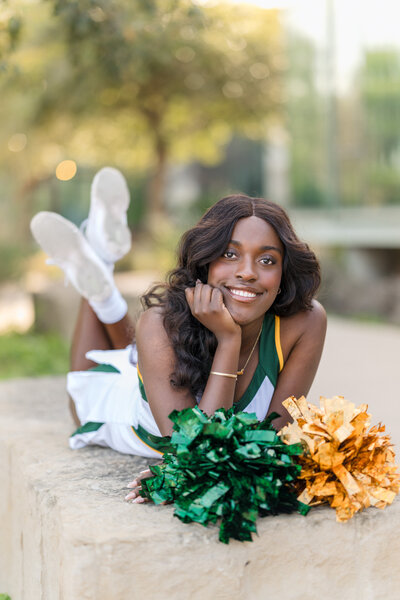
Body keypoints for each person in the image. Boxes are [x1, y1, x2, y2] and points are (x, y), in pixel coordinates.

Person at [30, 167, 327, 504]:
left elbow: (273, 442)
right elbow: (197, 455)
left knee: (144, 348)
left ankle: (100, 263)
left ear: (284, 269)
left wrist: (227, 338)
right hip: (125, 408)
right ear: (205, 263)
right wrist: (228, 341)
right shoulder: (159, 324)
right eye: (230, 254)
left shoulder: (306, 321)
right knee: (87, 394)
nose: (247, 272)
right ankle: (99, 274)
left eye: (267, 259)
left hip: (159, 368)